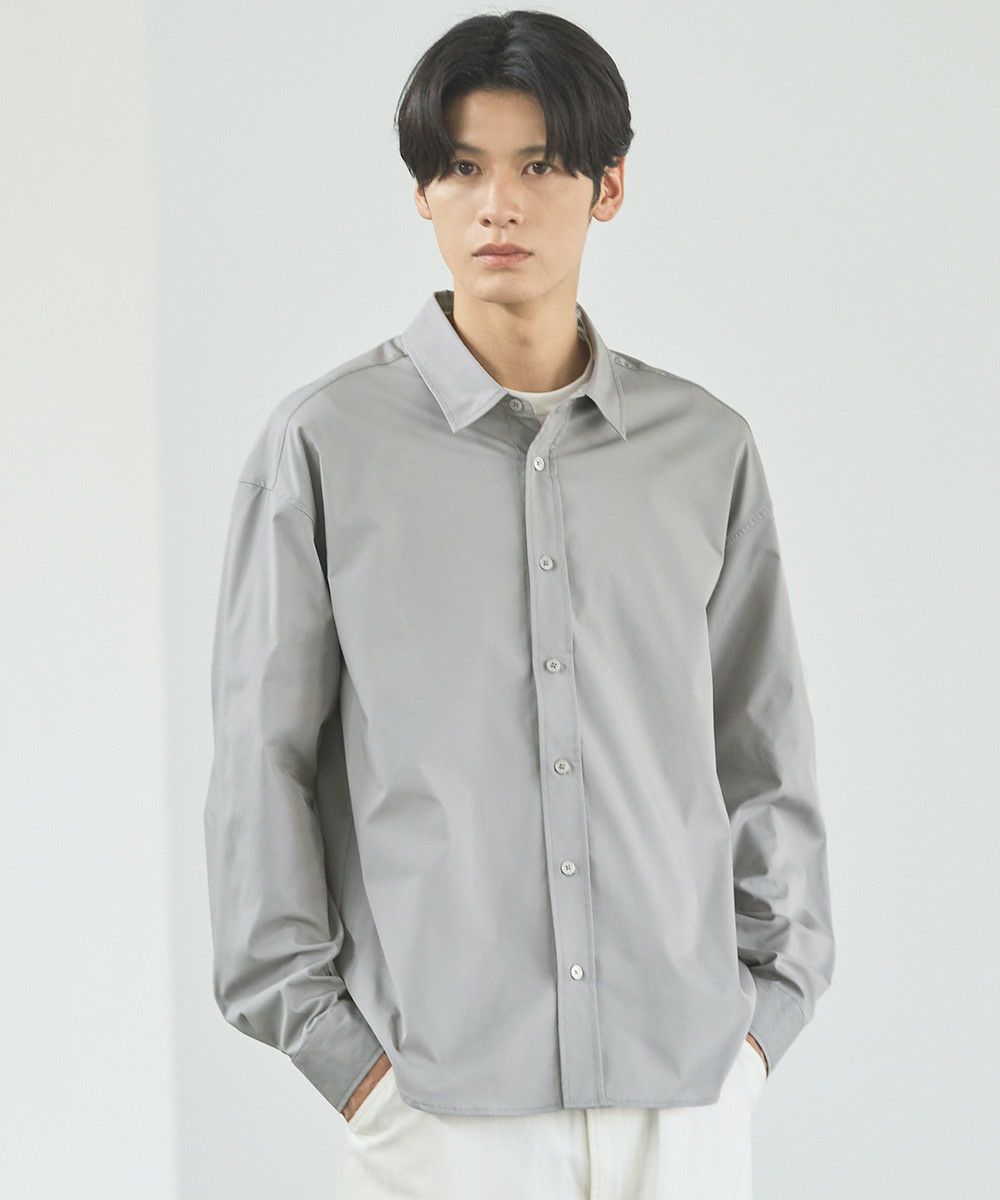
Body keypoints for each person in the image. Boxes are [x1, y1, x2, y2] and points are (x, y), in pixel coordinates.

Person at [203, 10, 835, 1198]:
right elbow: (260, 764)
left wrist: (762, 1022)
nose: (497, 205)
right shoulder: (325, 445)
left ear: (608, 186)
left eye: (539, 166)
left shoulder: (703, 449)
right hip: (440, 1106)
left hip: (686, 1091)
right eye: (461, 167)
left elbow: (763, 749)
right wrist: (348, 1063)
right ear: (422, 193)